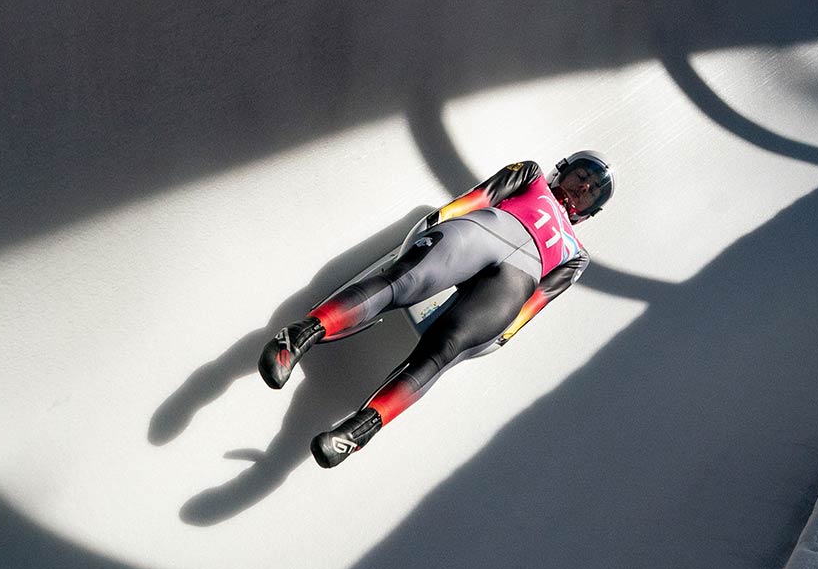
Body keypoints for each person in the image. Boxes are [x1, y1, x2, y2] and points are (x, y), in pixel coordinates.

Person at [260, 151, 613, 467]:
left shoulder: (577, 255)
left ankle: (359, 430)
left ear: (590, 212)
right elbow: (481, 197)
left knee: (447, 351)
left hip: (513, 284)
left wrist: (503, 333)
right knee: (405, 281)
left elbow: (537, 301)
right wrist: (437, 222)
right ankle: (296, 337)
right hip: (482, 233)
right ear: (563, 170)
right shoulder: (532, 175)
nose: (583, 188)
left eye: (592, 191)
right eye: (582, 177)